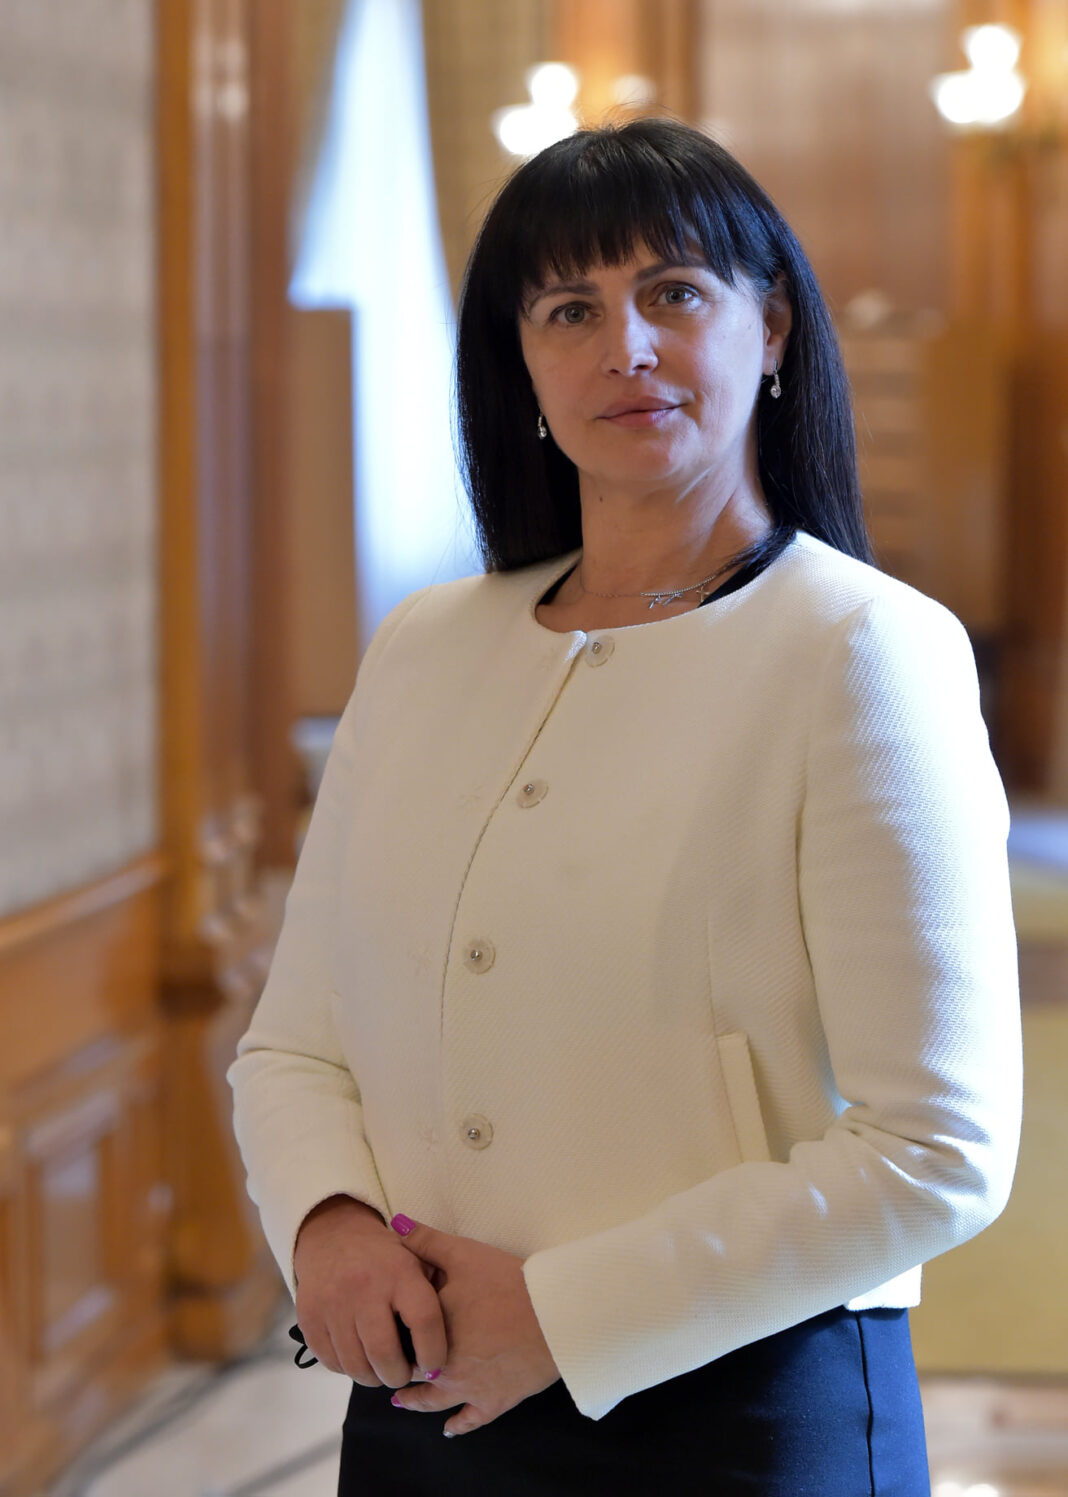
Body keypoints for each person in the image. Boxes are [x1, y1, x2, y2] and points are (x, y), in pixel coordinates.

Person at [228, 117, 1022, 1495]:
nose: (627, 348)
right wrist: (329, 1224)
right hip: (419, 1400)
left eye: (674, 293)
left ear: (771, 329)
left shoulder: (863, 650)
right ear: (522, 363)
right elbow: (294, 1041)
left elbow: (938, 1146)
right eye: (570, 310)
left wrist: (561, 1314)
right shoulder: (424, 647)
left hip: (737, 1413)